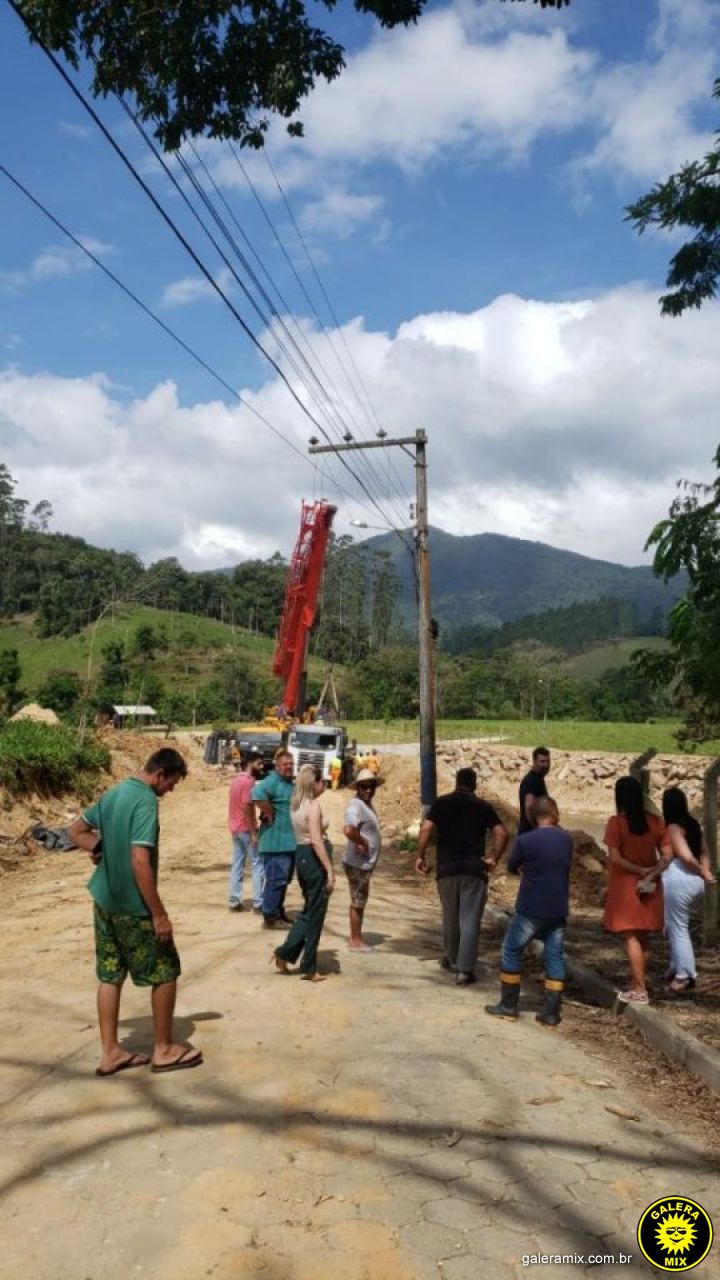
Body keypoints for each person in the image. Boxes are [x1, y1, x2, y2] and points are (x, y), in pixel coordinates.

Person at [68, 747, 203, 1076]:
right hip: (134, 906)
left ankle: (110, 1052)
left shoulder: (115, 793)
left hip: (105, 901)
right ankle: (164, 1049)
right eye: (172, 783)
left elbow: (75, 830)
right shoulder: (144, 801)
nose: (171, 790)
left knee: (110, 975)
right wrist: (158, 914)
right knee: (166, 970)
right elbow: (140, 861)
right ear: (159, 775)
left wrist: (98, 848)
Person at [416, 767, 508, 986]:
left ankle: (451, 959)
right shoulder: (483, 806)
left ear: (456, 783)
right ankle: (465, 971)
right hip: (473, 870)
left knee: (450, 917)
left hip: (446, 870)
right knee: (470, 921)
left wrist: (420, 855)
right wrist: (494, 858)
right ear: (474, 785)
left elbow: (426, 828)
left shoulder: (441, 803)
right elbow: (502, 832)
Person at [485, 797, 573, 1025]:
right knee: (554, 956)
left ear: (533, 817)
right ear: (555, 812)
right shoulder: (566, 839)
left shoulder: (526, 840)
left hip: (531, 907)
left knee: (511, 950)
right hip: (558, 908)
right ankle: (551, 1012)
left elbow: (512, 866)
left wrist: (527, 869)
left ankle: (508, 1005)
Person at [603, 775, 672, 1005]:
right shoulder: (655, 822)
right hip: (651, 885)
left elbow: (615, 857)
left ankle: (640, 989)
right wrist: (653, 871)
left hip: (626, 887)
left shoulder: (616, 823)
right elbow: (668, 855)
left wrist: (639, 870)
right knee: (644, 937)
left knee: (631, 936)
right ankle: (636, 982)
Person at [272, 764, 335, 981]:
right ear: (313, 783)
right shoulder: (313, 806)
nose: (324, 784)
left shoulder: (296, 804)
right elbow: (316, 840)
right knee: (316, 914)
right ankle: (309, 966)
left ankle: (284, 953)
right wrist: (330, 870)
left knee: (309, 910)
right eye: (321, 781)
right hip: (313, 857)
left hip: (302, 855)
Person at [661, 787, 715, 994]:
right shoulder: (692, 823)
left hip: (680, 880)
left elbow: (685, 856)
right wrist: (704, 871)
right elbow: (704, 851)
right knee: (673, 924)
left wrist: (703, 871)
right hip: (695, 882)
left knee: (678, 927)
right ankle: (675, 965)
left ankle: (685, 974)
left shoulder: (673, 827)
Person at [252, 750, 296, 928]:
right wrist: (269, 812)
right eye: (285, 764)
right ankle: (270, 917)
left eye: (291, 764)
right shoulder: (272, 781)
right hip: (275, 843)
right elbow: (256, 794)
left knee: (282, 881)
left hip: (288, 843)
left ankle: (278, 913)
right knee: (276, 881)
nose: (289, 767)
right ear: (277, 766)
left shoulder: (288, 783)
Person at [343, 768, 383, 951]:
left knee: (359, 900)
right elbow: (348, 829)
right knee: (358, 901)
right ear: (358, 788)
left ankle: (356, 937)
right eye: (364, 787)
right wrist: (362, 841)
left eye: (371, 787)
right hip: (358, 864)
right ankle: (356, 941)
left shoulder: (365, 805)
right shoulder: (356, 806)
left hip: (363, 864)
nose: (368, 790)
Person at [227, 753, 264, 913]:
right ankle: (258, 902)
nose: (261, 767)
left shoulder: (236, 780)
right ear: (250, 763)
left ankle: (234, 900)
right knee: (257, 863)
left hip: (235, 827)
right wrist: (253, 832)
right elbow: (246, 806)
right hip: (245, 828)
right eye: (259, 763)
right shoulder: (248, 782)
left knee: (237, 863)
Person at [518, 747, 551, 834]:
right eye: (542, 761)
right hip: (530, 833)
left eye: (548, 761)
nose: (546, 765)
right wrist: (538, 830)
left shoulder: (537, 779)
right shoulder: (532, 781)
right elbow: (529, 807)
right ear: (534, 762)